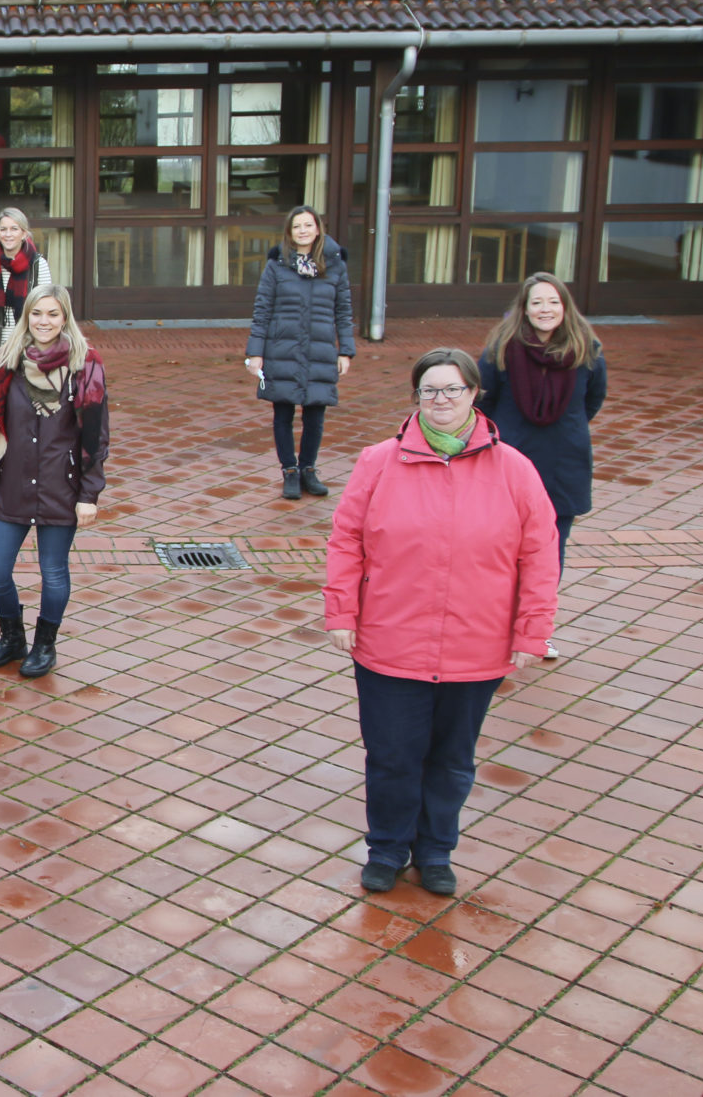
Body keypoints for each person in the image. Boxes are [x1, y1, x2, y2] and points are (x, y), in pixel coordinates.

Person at [325, 348, 559, 897]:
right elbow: (346, 541)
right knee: (391, 756)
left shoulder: (515, 470)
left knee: (452, 761)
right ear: (416, 397)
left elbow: (540, 555)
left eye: (453, 389)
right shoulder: (377, 462)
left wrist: (533, 630)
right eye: (430, 390)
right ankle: (386, 847)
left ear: (474, 394)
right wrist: (340, 610)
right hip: (390, 641)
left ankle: (435, 851)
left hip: (475, 647)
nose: (442, 400)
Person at [0, 284, 109, 679]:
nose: (44, 322)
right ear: (26, 316)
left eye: (52, 314)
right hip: (12, 479)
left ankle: (44, 645)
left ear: (65, 317)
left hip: (60, 485)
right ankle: (12, 636)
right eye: (37, 313)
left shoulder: (86, 365)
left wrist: (89, 494)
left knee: (53, 571)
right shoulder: (7, 361)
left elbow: (95, 436)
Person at [478, 273, 606, 570]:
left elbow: (593, 400)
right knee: (505, 547)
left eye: (553, 301)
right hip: (513, 460)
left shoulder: (588, 351)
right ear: (524, 308)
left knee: (552, 549)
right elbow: (483, 400)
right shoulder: (501, 349)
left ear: (565, 307)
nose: (545, 309)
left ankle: (539, 615)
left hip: (565, 462)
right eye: (536, 302)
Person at [245, 205, 354, 499]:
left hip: (319, 350)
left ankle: (308, 469)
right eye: (297, 226)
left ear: (318, 228)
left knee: (315, 414)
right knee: (283, 413)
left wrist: (345, 351)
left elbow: (343, 311)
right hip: (282, 348)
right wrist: (255, 353)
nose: (303, 231)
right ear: (289, 232)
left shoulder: (335, 266)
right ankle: (289, 471)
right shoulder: (276, 265)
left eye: (308, 225)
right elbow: (262, 310)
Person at [0, 207, 54, 389]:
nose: (8, 234)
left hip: (27, 346)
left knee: (24, 405)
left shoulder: (38, 265)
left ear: (24, 233)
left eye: (14, 229)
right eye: (3, 229)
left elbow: (47, 313)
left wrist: (45, 350)